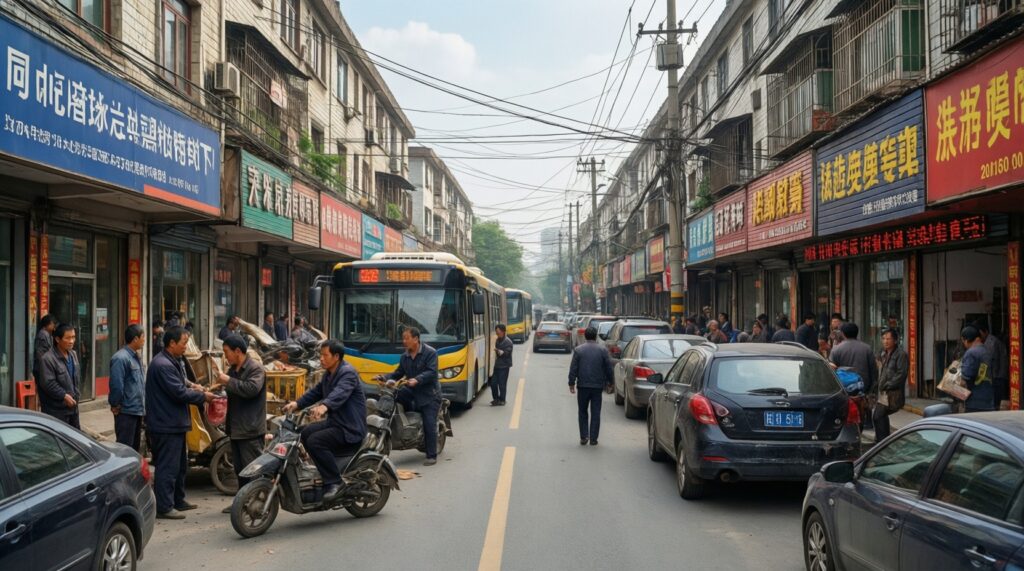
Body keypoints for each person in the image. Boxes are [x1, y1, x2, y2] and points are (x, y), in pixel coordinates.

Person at [145, 326, 216, 520]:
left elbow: (182, 382)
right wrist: (203, 396)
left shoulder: (172, 360)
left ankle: (178, 499)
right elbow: (178, 392)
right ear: (172, 343)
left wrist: (194, 385)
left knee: (180, 465)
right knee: (167, 467)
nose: (186, 347)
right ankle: (164, 506)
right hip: (165, 423)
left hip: (174, 422)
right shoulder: (162, 365)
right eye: (184, 343)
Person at [282, 340, 366, 502]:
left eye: (324, 355)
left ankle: (335, 482)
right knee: (305, 432)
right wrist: (297, 404)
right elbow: (316, 392)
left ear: (336, 356)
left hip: (350, 428)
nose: (320, 358)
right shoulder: (329, 373)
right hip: (337, 423)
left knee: (315, 441)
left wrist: (325, 406)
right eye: (320, 354)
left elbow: (340, 392)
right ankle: (323, 466)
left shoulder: (348, 373)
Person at [213, 334, 267, 512]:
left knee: (254, 469)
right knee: (240, 470)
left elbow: (251, 389)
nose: (225, 356)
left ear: (238, 351)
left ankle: (260, 502)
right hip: (236, 428)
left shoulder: (255, 368)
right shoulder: (234, 369)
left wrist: (227, 380)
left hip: (250, 428)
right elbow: (230, 387)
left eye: (227, 352)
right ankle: (242, 501)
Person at [380, 328, 442, 465]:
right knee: (393, 395)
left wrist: (418, 379)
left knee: (429, 423)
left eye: (406, 338)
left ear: (416, 339)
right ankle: (404, 427)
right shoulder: (405, 356)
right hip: (411, 391)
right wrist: (383, 377)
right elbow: (398, 373)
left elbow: (431, 373)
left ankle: (431, 455)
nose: (404, 341)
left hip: (429, 394)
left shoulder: (430, 353)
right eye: (403, 338)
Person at [568, 326, 614, 446]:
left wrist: (571, 383)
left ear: (585, 336)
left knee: (582, 411)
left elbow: (573, 368)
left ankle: (584, 436)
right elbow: (609, 368)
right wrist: (611, 382)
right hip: (597, 387)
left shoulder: (578, 350)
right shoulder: (603, 350)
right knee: (596, 412)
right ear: (595, 336)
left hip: (582, 386)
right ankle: (593, 438)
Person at [830, 323, 879, 428]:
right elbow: (873, 370)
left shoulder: (837, 349)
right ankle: (864, 425)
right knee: (861, 413)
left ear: (842, 334)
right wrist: (872, 387)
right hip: (862, 388)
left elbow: (831, 370)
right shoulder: (867, 348)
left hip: (844, 388)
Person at [109, 324, 146, 452]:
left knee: (134, 449)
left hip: (137, 409)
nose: (144, 340)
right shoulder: (120, 358)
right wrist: (115, 404)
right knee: (124, 449)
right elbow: (116, 385)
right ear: (135, 339)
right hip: (126, 411)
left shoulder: (136, 356)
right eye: (143, 337)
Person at [38, 323, 82, 428]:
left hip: (73, 408)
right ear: (57, 339)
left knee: (75, 439)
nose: (72, 341)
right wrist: (64, 396)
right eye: (68, 338)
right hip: (56, 410)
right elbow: (48, 383)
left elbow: (75, 377)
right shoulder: (48, 359)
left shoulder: (73, 354)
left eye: (73, 337)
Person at [874, 329, 908, 442]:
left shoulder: (901, 354)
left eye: (888, 339)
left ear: (895, 340)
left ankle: (882, 442)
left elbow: (901, 374)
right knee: (879, 416)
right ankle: (883, 441)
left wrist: (888, 385)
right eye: (883, 339)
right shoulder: (883, 353)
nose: (885, 341)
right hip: (883, 392)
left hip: (893, 392)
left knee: (878, 415)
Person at [959, 326, 995, 413]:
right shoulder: (987, 351)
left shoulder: (971, 353)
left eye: (963, 341)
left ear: (966, 340)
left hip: (974, 402)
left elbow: (964, 380)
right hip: (989, 400)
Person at [978, 323, 1008, 409]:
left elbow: (988, 359)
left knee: (996, 400)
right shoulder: (988, 341)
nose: (980, 336)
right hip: (995, 374)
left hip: (997, 375)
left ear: (985, 332)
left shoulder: (991, 342)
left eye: (981, 333)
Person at [491, 324, 513, 406]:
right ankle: (496, 399)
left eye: (498, 332)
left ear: (503, 332)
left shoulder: (508, 342)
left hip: (504, 366)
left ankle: (502, 399)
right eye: (496, 332)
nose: (497, 334)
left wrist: (499, 351)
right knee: (493, 383)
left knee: (502, 384)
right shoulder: (497, 340)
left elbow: (507, 353)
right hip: (497, 365)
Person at [33, 314, 57, 381]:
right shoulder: (43, 334)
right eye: (52, 323)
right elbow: (41, 353)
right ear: (47, 324)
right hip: (42, 367)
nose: (53, 325)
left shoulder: (48, 334)